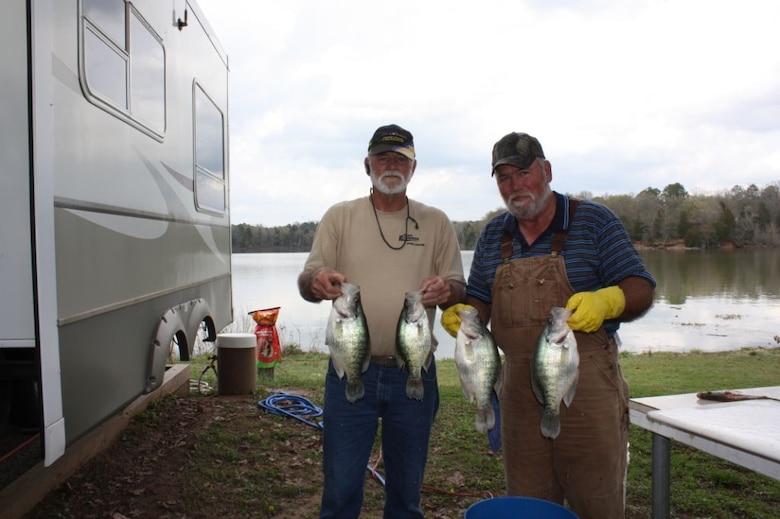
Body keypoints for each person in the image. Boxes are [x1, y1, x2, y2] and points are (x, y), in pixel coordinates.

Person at [443, 132, 655, 519]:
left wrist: (610, 301)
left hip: (588, 384)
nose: (514, 186)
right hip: (518, 393)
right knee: (529, 503)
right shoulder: (494, 234)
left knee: (598, 500)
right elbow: (480, 298)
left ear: (547, 171)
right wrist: (466, 315)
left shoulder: (594, 221)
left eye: (523, 173)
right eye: (503, 178)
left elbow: (641, 287)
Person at [297, 124, 466, 519]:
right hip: (349, 368)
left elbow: (459, 286)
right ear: (367, 164)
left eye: (400, 159)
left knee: (406, 493)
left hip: (414, 370)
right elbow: (308, 281)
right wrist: (316, 282)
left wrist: (448, 290)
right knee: (340, 489)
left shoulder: (436, 221)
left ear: (413, 167)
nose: (391, 165)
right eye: (383, 157)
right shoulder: (340, 217)